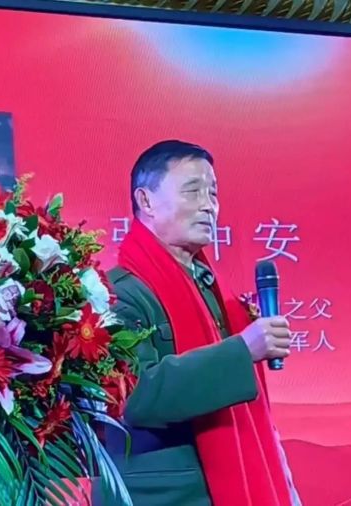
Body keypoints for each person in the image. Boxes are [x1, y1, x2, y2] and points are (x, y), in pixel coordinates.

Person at [106, 140, 301, 506]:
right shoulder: (120, 293)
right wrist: (242, 351)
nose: (208, 205)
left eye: (213, 193)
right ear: (146, 201)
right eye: (192, 191)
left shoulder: (213, 290)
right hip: (166, 495)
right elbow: (134, 395)